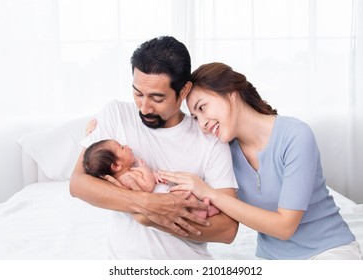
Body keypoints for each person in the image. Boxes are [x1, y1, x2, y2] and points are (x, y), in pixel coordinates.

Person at [159, 62, 363, 260]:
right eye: (195, 117)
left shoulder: (295, 135)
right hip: (273, 259)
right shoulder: (223, 151)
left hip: (328, 251)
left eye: (202, 108)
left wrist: (210, 193)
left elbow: (285, 227)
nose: (202, 124)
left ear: (231, 94)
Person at [69, 37, 238, 259]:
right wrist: (147, 204)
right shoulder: (116, 115)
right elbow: (78, 184)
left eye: (157, 98)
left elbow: (227, 230)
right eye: (138, 93)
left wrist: (151, 219)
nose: (144, 107)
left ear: (184, 90)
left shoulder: (210, 140)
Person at [83, 138, 220, 218]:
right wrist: (146, 170)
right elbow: (147, 187)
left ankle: (200, 208)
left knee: (184, 194)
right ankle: (201, 210)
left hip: (161, 192)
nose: (127, 146)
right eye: (122, 147)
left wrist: (155, 175)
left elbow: (148, 181)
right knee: (185, 196)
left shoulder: (129, 172)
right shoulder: (126, 178)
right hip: (161, 197)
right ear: (117, 166)